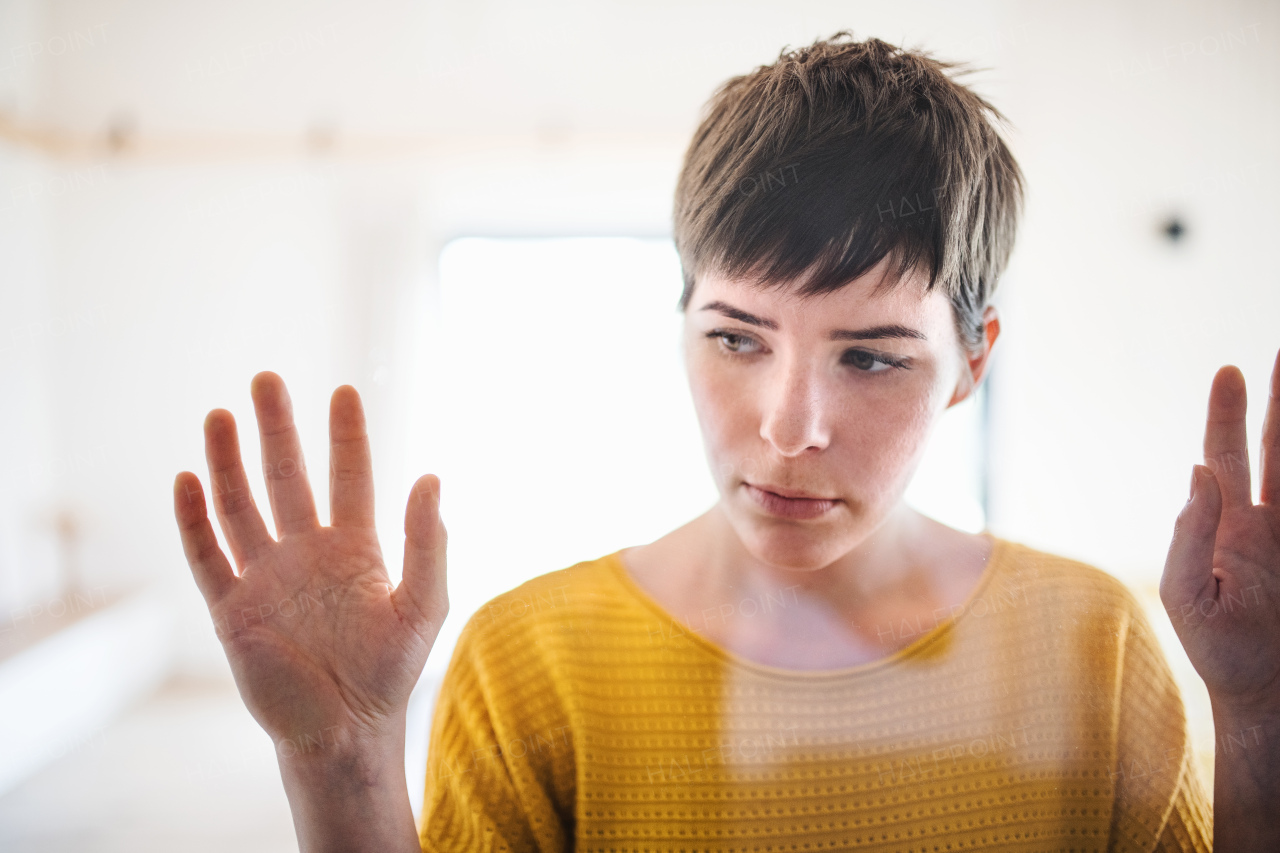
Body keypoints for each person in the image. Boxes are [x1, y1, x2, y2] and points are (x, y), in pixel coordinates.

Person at [172, 32, 1280, 852]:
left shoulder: (1092, 646)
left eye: (871, 356)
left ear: (972, 363)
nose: (787, 425)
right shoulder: (530, 666)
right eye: (736, 337)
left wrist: (1260, 724)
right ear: (680, 320)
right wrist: (342, 762)